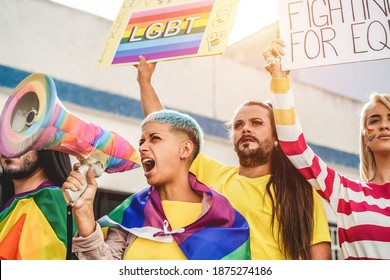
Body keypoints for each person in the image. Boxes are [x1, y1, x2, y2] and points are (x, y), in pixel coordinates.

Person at [136, 56, 331, 259]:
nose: (245, 128)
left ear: (276, 137)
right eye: (238, 125)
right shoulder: (214, 175)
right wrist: (145, 82)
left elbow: (319, 260)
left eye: (256, 123)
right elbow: (165, 129)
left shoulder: (299, 191)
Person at [264, 30, 390, 259]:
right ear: (365, 138)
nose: (383, 125)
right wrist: (279, 78)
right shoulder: (347, 193)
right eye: (375, 120)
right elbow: (294, 146)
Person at [63, 109, 250, 260]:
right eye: (142, 141)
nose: (142, 148)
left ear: (184, 149)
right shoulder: (131, 211)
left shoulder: (224, 219)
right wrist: (84, 212)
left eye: (155, 139)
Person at [0, 150, 76, 260]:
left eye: (26, 137)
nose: (11, 146)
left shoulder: (52, 200)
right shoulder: (11, 206)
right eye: (5, 138)